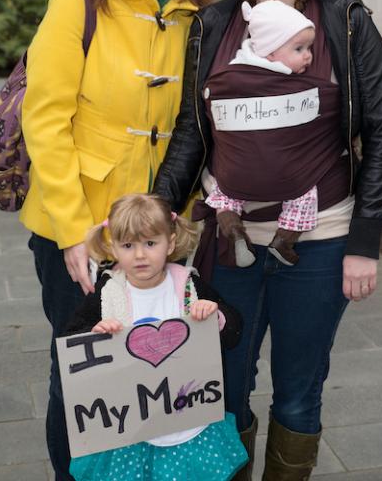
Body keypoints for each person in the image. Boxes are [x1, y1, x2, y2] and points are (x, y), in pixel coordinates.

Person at [153, 0, 382, 481]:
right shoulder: (211, 25)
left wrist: (364, 244)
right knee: (223, 389)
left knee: (297, 391)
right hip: (226, 240)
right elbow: (192, 129)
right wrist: (158, 206)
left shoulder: (343, 22)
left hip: (316, 244)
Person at [19, 0, 210, 480]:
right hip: (78, 229)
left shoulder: (197, 12)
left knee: (155, 373)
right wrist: (76, 232)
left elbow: (198, 124)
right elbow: (44, 119)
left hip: (160, 230)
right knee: (80, 372)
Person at [64, 193, 248, 481]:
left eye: (150, 243)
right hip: (130, 432)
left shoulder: (189, 286)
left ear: (170, 243)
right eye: (128, 245)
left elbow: (235, 330)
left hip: (187, 427)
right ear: (113, 247)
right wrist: (95, 332)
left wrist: (215, 316)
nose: (139, 255)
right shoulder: (107, 293)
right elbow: (71, 339)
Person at [205, 0, 317, 268]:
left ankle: (232, 227)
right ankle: (285, 239)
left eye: (309, 48)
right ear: (269, 52)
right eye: (299, 48)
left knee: (225, 190)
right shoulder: (289, 83)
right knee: (305, 193)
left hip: (238, 167)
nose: (308, 56)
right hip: (284, 169)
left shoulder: (232, 72)